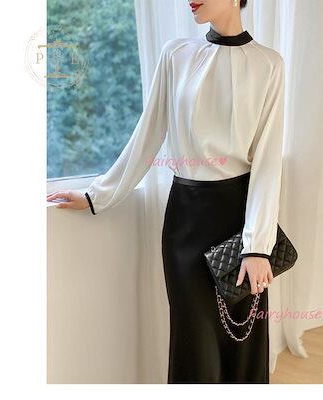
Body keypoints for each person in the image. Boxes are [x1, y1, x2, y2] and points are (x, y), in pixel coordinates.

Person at [47, 0, 285, 384]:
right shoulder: (176, 54)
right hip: (186, 221)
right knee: (194, 339)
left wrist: (257, 247)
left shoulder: (269, 64)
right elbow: (148, 134)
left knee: (241, 337)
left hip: (241, 220)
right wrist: (97, 195)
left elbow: (268, 162)